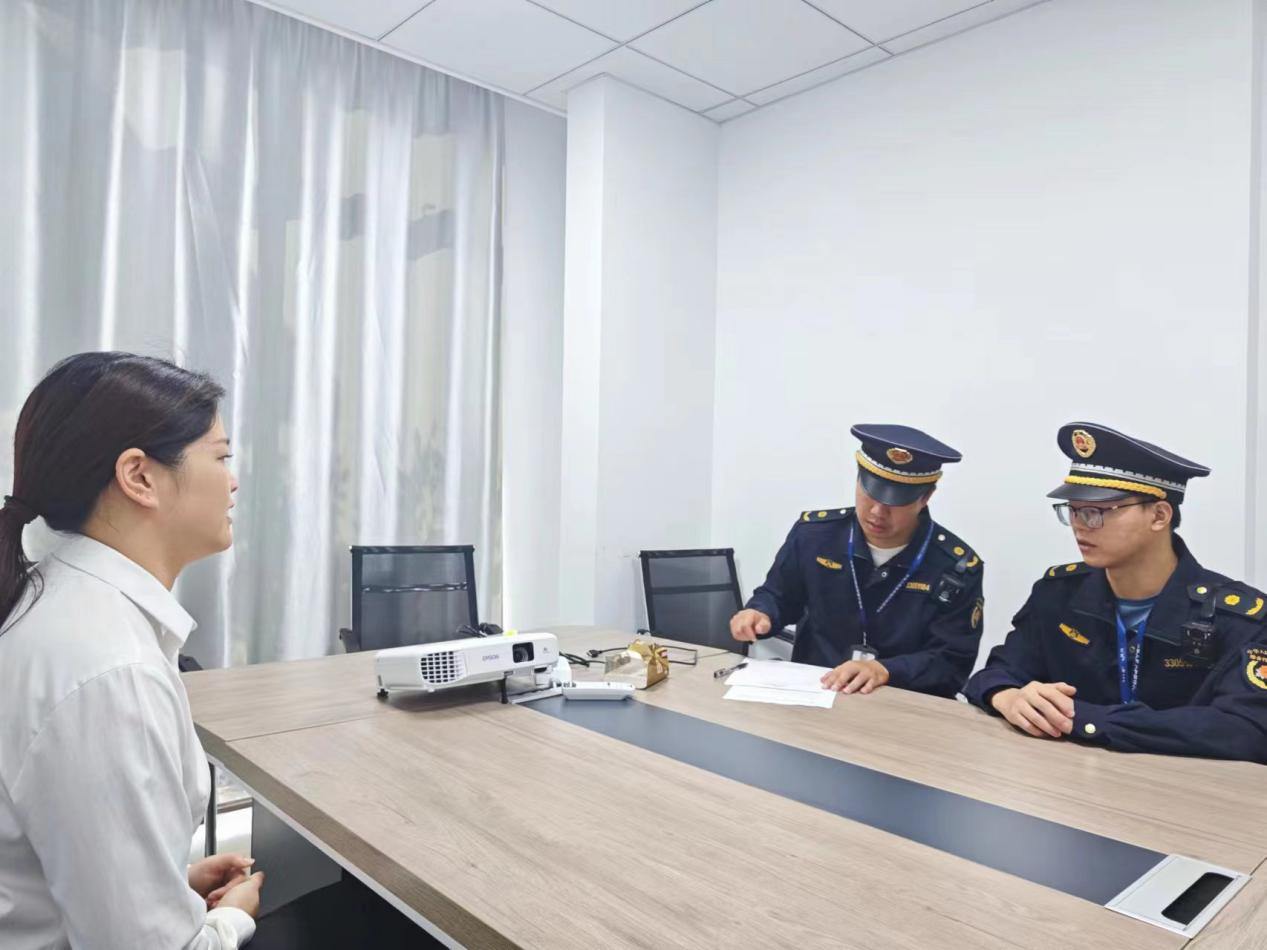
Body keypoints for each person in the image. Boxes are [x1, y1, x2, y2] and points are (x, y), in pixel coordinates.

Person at [0, 353, 436, 949]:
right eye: (221, 457)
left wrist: (168, 883)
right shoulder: (108, 672)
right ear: (139, 477)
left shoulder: (60, 607)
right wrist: (231, 918)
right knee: (393, 920)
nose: (233, 481)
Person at [964, 422, 1267, 763]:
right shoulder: (1058, 594)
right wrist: (1008, 697)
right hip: (1069, 780)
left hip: (1185, 791)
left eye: (1097, 512)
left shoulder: (1240, 619)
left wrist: (1090, 721)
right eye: (1073, 511)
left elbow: (1247, 730)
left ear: (1159, 515)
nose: (1080, 525)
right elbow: (996, 672)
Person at [731, 424, 984, 698]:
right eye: (871, 493)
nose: (877, 511)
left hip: (900, 703)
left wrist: (887, 670)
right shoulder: (815, 536)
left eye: (895, 501)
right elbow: (779, 596)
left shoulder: (955, 567)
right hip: (815, 693)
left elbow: (952, 662)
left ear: (926, 497)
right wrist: (760, 613)